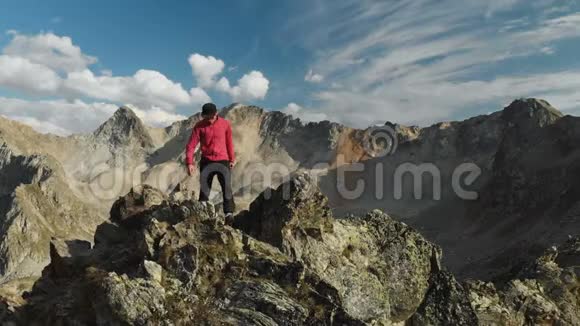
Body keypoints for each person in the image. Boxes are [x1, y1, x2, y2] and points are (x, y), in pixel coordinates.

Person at [185, 103, 236, 220]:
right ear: (204, 116)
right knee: (204, 188)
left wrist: (231, 159)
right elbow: (191, 146)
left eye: (211, 117)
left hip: (223, 160)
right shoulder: (199, 126)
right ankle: (202, 213)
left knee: (226, 187)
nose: (210, 120)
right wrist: (189, 163)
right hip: (206, 160)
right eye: (207, 117)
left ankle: (229, 214)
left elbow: (229, 143)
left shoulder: (225, 124)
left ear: (216, 113)